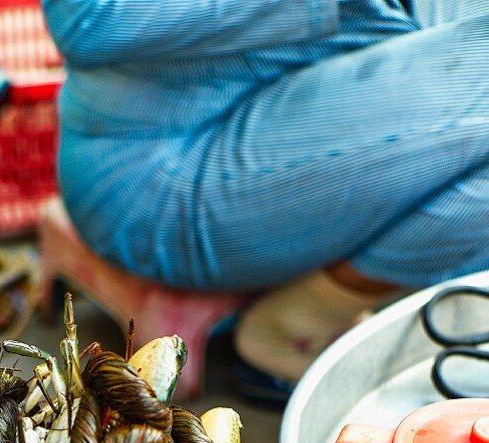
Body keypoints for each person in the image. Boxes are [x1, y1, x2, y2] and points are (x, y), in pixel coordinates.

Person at [41, 0, 489, 404]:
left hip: (312, 75)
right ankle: (298, 327)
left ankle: (330, 298)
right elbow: (87, 21)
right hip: (160, 166)